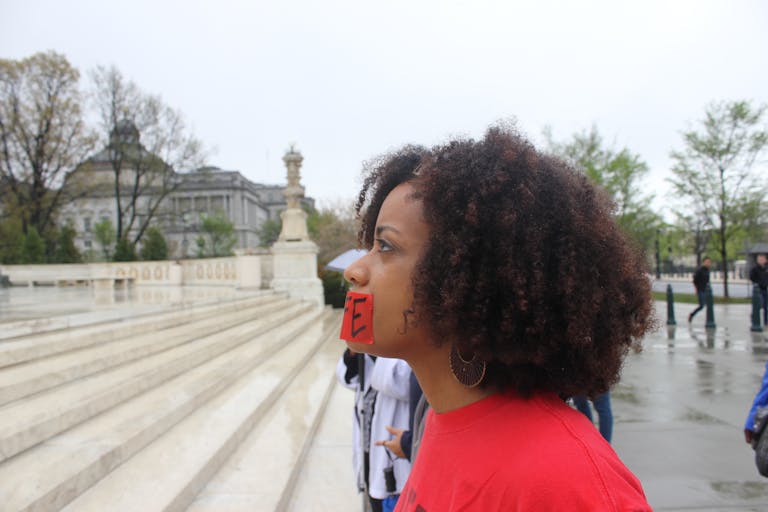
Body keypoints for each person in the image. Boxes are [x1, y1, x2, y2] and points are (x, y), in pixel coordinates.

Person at [343, 126, 654, 511]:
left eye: (386, 246)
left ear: (466, 279)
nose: (354, 271)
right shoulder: (441, 420)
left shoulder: (563, 480)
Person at [337, 350, 412, 511]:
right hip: (369, 446)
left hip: (398, 454)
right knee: (374, 494)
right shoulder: (374, 349)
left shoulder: (405, 345)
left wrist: (374, 349)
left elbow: (399, 381)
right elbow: (349, 379)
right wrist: (352, 354)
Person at [689, 257, 712, 323]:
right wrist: (696, 289)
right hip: (700, 290)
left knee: (709, 305)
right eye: (707, 262)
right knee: (702, 305)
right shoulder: (699, 270)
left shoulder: (707, 270)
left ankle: (709, 319)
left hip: (706, 290)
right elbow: (695, 281)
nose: (708, 263)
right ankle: (692, 314)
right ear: (703, 262)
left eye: (709, 262)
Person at [750, 254, 768, 326]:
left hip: (765, 289)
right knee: (759, 305)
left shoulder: (766, 268)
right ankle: (754, 317)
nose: (760, 261)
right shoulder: (755, 268)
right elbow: (751, 277)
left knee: (766, 306)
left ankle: (766, 321)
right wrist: (757, 283)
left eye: (762, 259)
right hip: (758, 290)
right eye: (759, 259)